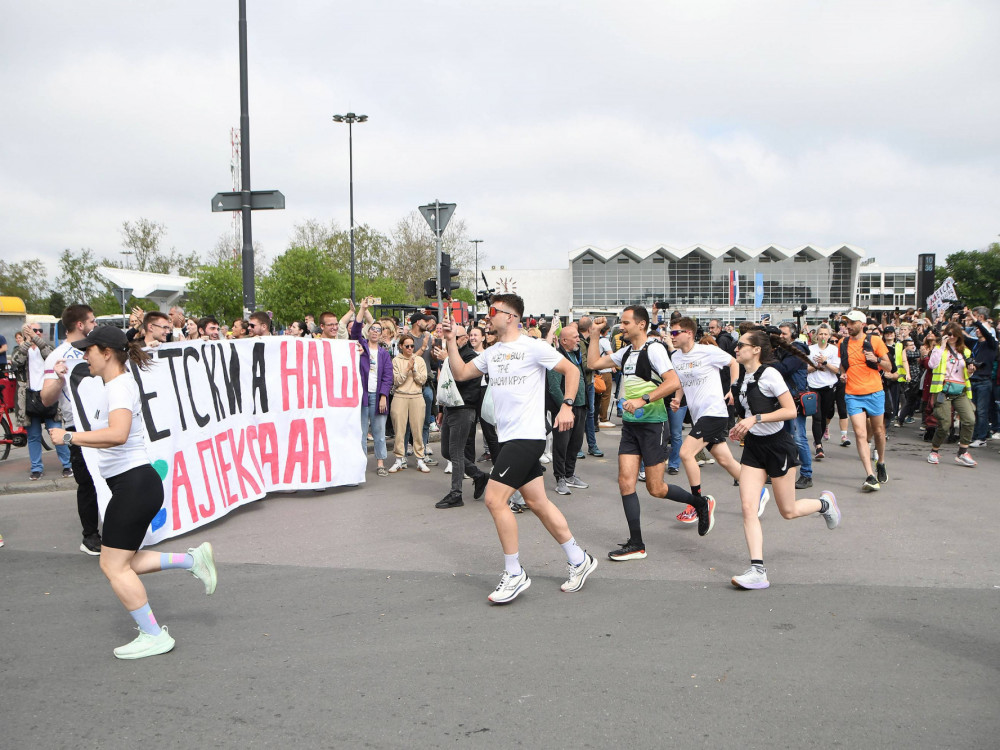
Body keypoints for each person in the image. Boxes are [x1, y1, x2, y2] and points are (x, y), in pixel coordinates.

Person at [48, 326, 217, 660]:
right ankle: (191, 560)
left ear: (107, 352)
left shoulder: (120, 387)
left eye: (89, 350)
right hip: (133, 485)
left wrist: (70, 438)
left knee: (113, 566)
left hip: (135, 485)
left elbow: (119, 434)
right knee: (122, 561)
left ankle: (154, 635)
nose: (85, 356)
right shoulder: (114, 385)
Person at [444, 294, 597, 602]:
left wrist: (567, 406)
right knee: (538, 502)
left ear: (510, 316)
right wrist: (449, 340)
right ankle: (579, 559)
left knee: (494, 499)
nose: (487, 318)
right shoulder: (493, 352)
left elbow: (573, 371)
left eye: (492, 312)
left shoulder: (533, 346)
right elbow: (460, 373)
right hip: (507, 437)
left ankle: (514, 573)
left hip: (527, 437)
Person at [588, 308, 715, 564]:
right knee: (625, 482)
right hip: (631, 427)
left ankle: (700, 504)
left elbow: (673, 382)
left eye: (626, 322)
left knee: (655, 489)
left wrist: (642, 399)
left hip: (653, 426)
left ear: (641, 324)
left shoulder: (654, 349)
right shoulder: (626, 352)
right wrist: (593, 335)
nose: (621, 327)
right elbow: (593, 364)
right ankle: (636, 544)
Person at [728, 327, 841, 590]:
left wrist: (755, 419)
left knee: (787, 511)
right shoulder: (744, 377)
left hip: (778, 447)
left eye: (741, 345)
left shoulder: (771, 375)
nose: (736, 348)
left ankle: (824, 504)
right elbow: (749, 411)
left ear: (756, 349)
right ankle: (758, 570)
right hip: (754, 448)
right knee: (748, 507)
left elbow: (790, 411)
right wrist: (741, 426)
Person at [667, 317, 760, 527]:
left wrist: (733, 388)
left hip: (715, 412)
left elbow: (733, 362)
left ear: (688, 333)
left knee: (685, 453)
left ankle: (697, 503)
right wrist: (678, 398)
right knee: (726, 461)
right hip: (699, 415)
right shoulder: (675, 358)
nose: (671, 337)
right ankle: (759, 490)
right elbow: (680, 381)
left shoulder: (707, 350)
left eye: (675, 333)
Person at [39, 305, 102, 554]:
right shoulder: (57, 356)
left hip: (104, 423)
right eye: (92, 321)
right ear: (80, 324)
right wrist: (58, 378)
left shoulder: (97, 349)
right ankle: (90, 536)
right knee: (87, 483)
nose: (95, 325)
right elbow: (45, 398)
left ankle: (118, 530)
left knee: (113, 478)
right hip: (77, 426)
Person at [432, 324, 490, 508]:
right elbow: (445, 385)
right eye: (448, 337)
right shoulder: (453, 355)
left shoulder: (471, 357)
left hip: (465, 408)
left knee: (456, 452)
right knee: (446, 452)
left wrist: (448, 359)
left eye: (454, 337)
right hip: (451, 408)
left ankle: (456, 493)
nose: (450, 340)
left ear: (464, 339)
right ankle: (478, 475)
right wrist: (441, 410)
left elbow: (460, 377)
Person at [11, 322, 72, 481]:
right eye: (33, 330)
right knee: (33, 436)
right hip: (30, 397)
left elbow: (50, 354)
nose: (36, 333)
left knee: (56, 431)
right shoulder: (20, 349)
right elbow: (16, 361)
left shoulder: (47, 348)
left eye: (39, 330)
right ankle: (36, 468)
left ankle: (67, 464)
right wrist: (27, 341)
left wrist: (35, 339)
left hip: (48, 394)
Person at [839, 310, 891, 491]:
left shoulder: (875, 341)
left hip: (874, 392)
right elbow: (842, 365)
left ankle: (881, 462)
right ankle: (870, 475)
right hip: (852, 393)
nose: (848, 326)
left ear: (862, 324)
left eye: (852, 323)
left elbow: (889, 365)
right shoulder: (843, 342)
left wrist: (876, 359)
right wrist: (843, 375)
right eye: (847, 323)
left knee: (878, 431)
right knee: (860, 434)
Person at [351, 300, 393, 476]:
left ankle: (380, 462)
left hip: (378, 396)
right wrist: (362, 309)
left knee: (379, 431)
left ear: (382, 334)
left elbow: (388, 376)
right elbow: (354, 330)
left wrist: (384, 395)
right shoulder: (361, 347)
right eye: (372, 329)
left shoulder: (384, 353)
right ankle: (361, 463)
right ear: (368, 332)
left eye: (378, 330)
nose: (375, 332)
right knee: (360, 431)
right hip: (362, 396)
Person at [926, 322, 978, 466]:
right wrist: (942, 346)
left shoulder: (965, 351)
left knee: (969, 419)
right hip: (943, 391)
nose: (952, 337)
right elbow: (932, 365)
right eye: (949, 334)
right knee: (944, 424)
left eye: (955, 334)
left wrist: (971, 370)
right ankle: (934, 450)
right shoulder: (939, 349)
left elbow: (967, 373)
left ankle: (963, 451)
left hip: (960, 391)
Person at [548, 325, 589, 496]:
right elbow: (554, 388)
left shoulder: (574, 354)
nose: (578, 339)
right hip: (565, 410)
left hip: (580, 407)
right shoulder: (557, 358)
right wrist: (565, 408)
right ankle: (560, 479)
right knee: (561, 445)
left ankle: (570, 475)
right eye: (575, 337)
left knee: (576, 443)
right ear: (564, 340)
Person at [774, 323, 814, 489]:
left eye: (784, 334)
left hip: (796, 400)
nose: (780, 336)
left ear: (793, 335)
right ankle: (783, 471)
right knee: (784, 437)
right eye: (779, 334)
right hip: (785, 400)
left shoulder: (796, 351)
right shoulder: (782, 351)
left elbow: (783, 369)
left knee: (798, 438)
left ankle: (806, 474)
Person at [389, 334, 431, 473]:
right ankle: (399, 459)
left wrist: (414, 369)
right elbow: (397, 381)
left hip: (417, 396)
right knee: (399, 430)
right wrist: (407, 369)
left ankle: (420, 459)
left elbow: (422, 380)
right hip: (400, 396)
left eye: (412, 346)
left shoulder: (419, 360)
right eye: (407, 346)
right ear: (401, 346)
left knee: (417, 429)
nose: (410, 349)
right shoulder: (396, 360)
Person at [806, 323, 841, 459]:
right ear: (816, 336)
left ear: (829, 336)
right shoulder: (810, 349)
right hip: (814, 385)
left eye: (825, 334)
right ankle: (819, 446)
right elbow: (806, 369)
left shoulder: (833, 350)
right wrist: (816, 366)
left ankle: (818, 439)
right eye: (820, 334)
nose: (823, 336)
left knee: (826, 415)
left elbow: (836, 370)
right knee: (817, 417)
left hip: (829, 386)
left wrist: (825, 363)